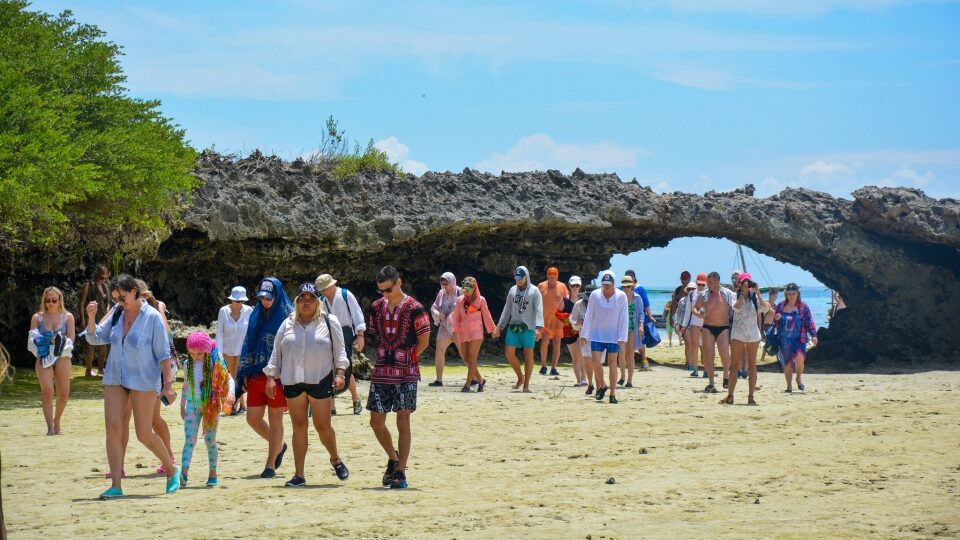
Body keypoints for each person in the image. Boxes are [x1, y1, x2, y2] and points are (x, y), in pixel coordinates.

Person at [85, 274, 180, 498]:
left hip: (144, 379)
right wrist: (91, 317)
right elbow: (95, 338)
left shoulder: (153, 316)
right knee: (113, 428)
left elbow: (164, 354)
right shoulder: (117, 313)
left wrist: (167, 385)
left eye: (123, 297)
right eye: (116, 298)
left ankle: (171, 469)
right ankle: (116, 485)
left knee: (144, 433)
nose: (120, 302)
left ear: (135, 292)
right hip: (115, 377)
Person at [264, 283, 350, 487]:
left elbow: (340, 351)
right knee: (298, 427)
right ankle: (299, 475)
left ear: (317, 302)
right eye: (302, 298)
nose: (306, 302)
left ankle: (335, 459)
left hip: (320, 379)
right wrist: (270, 376)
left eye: (311, 298)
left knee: (323, 426)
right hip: (293, 381)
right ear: (296, 302)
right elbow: (276, 352)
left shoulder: (330, 321)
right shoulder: (287, 323)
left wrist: (340, 373)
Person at [367, 266, 431, 489]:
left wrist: (409, 357)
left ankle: (401, 471)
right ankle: (393, 458)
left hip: (407, 372)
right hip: (382, 370)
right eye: (381, 291)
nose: (385, 294)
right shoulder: (375, 308)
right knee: (376, 422)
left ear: (399, 282)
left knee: (403, 419)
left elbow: (424, 339)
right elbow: (376, 333)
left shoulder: (416, 308)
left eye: (388, 289)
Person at [238, 277, 293, 479]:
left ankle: (270, 465)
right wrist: (244, 371)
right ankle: (279, 445)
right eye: (262, 297)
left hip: (278, 377)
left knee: (275, 418)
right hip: (255, 375)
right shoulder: (256, 314)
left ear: (277, 295)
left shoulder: (288, 316)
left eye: (268, 298)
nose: (265, 301)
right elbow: (248, 342)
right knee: (252, 419)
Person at [180, 332, 235, 487]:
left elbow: (228, 378)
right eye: (191, 353)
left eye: (199, 353)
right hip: (192, 405)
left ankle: (213, 473)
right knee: (189, 439)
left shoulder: (216, 362)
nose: (195, 357)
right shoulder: (187, 364)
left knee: (210, 440)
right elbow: (185, 386)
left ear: (206, 350)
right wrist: (182, 404)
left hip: (211, 406)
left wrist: (231, 393)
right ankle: (183, 472)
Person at [316, 273, 366, 415]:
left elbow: (357, 314)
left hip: (345, 333)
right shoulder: (321, 300)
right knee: (329, 367)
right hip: (329, 334)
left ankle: (355, 399)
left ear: (331, 285)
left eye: (324, 288)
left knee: (345, 366)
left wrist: (360, 335)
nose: (323, 291)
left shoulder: (345, 295)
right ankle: (331, 406)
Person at [27, 287, 74, 435]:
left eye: (54, 300)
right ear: (44, 300)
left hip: (62, 355)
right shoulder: (37, 317)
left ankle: (57, 420)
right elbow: (32, 338)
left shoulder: (68, 317)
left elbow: (72, 337)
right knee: (47, 391)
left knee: (64, 393)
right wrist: (47, 340)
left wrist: (60, 341)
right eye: (48, 300)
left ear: (60, 300)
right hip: (44, 355)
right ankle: (50, 427)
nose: (51, 303)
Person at [579, 271, 628, 404]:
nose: (606, 287)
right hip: (597, 334)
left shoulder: (621, 296)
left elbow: (624, 318)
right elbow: (589, 315)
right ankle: (602, 385)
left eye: (609, 285)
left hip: (614, 336)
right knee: (595, 362)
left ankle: (612, 394)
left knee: (613, 363)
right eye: (604, 285)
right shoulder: (595, 295)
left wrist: (622, 337)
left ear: (614, 284)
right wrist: (584, 334)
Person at [721, 274, 769, 406]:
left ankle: (751, 396)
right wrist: (742, 294)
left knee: (752, 365)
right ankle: (730, 395)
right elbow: (735, 308)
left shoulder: (755, 298)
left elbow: (765, 308)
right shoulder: (734, 296)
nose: (746, 285)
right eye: (744, 283)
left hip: (753, 333)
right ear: (740, 284)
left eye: (748, 283)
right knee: (735, 365)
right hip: (738, 333)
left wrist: (758, 292)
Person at [496, 266, 544, 393]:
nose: (519, 280)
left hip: (529, 327)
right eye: (517, 278)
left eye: (521, 278)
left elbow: (539, 309)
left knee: (528, 355)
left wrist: (539, 328)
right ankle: (520, 378)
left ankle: (526, 384)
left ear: (526, 277)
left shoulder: (534, 291)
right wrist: (499, 327)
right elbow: (507, 309)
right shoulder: (512, 290)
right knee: (509, 353)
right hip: (514, 325)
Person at [450, 276, 498, 392]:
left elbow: (487, 316)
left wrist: (492, 329)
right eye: (465, 286)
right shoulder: (460, 300)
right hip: (463, 331)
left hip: (476, 332)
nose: (466, 289)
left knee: (472, 357)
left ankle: (467, 385)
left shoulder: (481, 300)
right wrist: (454, 331)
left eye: (469, 286)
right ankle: (481, 380)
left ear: (474, 287)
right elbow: (456, 317)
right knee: (466, 358)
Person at [694, 272, 734, 393]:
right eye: (708, 282)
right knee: (708, 354)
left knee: (724, 354)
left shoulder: (727, 294)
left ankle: (726, 375)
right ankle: (711, 382)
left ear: (717, 281)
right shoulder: (704, 294)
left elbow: (735, 308)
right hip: (707, 327)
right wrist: (698, 313)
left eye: (710, 282)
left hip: (723, 327)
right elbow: (695, 307)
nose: (708, 285)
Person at [774, 283, 818, 393]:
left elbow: (809, 321)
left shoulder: (804, 307)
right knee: (787, 363)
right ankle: (789, 386)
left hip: (800, 338)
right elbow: (775, 322)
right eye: (789, 294)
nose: (791, 296)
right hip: (784, 339)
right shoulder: (780, 306)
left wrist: (814, 335)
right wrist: (777, 318)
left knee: (800, 358)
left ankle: (798, 378)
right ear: (786, 294)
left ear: (797, 294)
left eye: (793, 294)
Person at [216, 286, 252, 415]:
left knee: (239, 377)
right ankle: (232, 405)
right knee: (229, 377)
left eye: (241, 301)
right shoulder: (223, 311)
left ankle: (240, 405)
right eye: (237, 301)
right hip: (227, 350)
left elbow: (251, 332)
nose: (239, 303)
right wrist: (218, 353)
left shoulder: (249, 311)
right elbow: (219, 332)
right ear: (231, 299)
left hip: (242, 350)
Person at [429, 272, 462, 387]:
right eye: (442, 283)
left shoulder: (460, 292)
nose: (444, 286)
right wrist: (437, 313)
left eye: (446, 284)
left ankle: (474, 378)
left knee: (464, 353)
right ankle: (439, 380)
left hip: (458, 328)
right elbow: (434, 306)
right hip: (444, 328)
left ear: (452, 282)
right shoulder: (441, 293)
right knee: (439, 350)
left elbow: (467, 307)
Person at [79, 265, 110, 377]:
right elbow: (82, 303)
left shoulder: (105, 286)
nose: (104, 280)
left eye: (106, 278)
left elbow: (108, 301)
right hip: (90, 317)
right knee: (90, 344)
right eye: (102, 278)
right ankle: (88, 370)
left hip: (102, 317)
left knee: (103, 344)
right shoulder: (88, 285)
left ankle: (101, 370)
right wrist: (82, 319)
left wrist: (108, 309)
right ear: (96, 275)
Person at [537, 267, 569, 376]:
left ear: (557, 276)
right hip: (544, 320)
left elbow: (567, 300)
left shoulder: (562, 286)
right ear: (547, 276)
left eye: (554, 277)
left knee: (557, 343)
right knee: (545, 341)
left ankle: (554, 367)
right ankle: (543, 365)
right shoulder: (541, 286)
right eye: (550, 277)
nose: (551, 279)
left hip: (558, 320)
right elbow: (536, 301)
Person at [625, 270, 654, 370]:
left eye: (631, 277)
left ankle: (643, 359)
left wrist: (650, 315)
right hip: (626, 320)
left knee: (640, 341)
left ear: (634, 278)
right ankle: (628, 361)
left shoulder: (640, 289)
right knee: (627, 342)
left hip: (638, 319)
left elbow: (646, 304)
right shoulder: (623, 289)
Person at [558, 276, 585, 387]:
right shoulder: (565, 300)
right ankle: (578, 380)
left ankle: (584, 379)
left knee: (582, 354)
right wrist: (570, 318)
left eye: (577, 285)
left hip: (581, 331)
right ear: (569, 286)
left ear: (580, 286)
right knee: (575, 356)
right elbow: (557, 313)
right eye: (573, 285)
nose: (575, 287)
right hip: (569, 331)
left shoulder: (584, 300)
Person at [618, 276, 644, 388]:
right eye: (624, 286)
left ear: (632, 285)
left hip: (632, 327)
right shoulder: (619, 297)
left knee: (630, 354)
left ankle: (629, 380)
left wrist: (641, 326)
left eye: (629, 286)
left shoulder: (637, 298)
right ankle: (622, 376)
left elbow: (641, 313)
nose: (627, 288)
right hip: (620, 328)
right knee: (621, 354)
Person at [678, 277, 705, 377]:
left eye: (703, 284)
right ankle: (695, 369)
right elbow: (687, 311)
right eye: (699, 284)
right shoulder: (691, 294)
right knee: (694, 346)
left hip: (706, 323)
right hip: (694, 323)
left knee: (706, 347)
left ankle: (706, 370)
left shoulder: (709, 293)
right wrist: (683, 326)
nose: (701, 286)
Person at [571, 284, 595, 393]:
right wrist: (578, 323)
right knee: (587, 360)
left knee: (597, 361)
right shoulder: (578, 305)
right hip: (584, 337)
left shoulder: (599, 304)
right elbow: (572, 321)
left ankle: (598, 383)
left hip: (597, 336)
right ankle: (590, 383)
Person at [731, 271, 748, 381]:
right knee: (734, 348)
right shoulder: (731, 293)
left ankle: (744, 369)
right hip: (733, 322)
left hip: (746, 323)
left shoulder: (749, 293)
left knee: (745, 348)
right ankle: (737, 369)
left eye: (737, 279)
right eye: (733, 279)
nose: (736, 282)